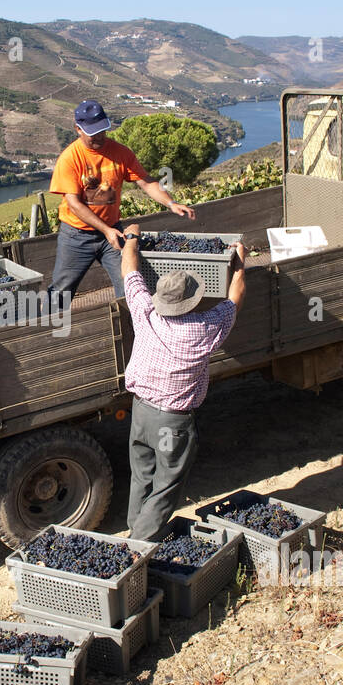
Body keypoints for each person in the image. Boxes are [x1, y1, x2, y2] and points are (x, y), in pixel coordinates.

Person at [118, 223, 246, 540]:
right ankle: (137, 547)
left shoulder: (145, 312)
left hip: (142, 413)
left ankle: (136, 529)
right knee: (166, 484)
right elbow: (235, 296)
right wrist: (239, 262)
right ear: (191, 301)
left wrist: (132, 237)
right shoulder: (205, 328)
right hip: (170, 425)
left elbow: (129, 271)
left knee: (142, 475)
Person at [47, 99, 195, 305]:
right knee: (60, 291)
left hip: (113, 232)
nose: (99, 136)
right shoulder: (70, 159)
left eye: (102, 130)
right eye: (93, 132)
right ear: (78, 129)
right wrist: (105, 230)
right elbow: (74, 204)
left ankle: (133, 331)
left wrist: (171, 203)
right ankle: (49, 332)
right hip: (76, 235)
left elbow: (146, 182)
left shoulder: (120, 152)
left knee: (130, 284)